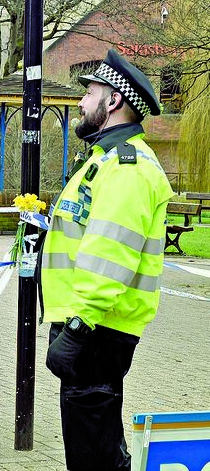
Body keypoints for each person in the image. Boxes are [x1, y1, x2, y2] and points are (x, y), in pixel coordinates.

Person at [40, 49, 173, 471]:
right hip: (93, 325)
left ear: (113, 101)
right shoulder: (106, 161)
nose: (81, 102)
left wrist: (77, 328)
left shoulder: (127, 168)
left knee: (93, 454)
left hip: (96, 329)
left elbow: (110, 253)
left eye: (91, 92)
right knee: (93, 448)